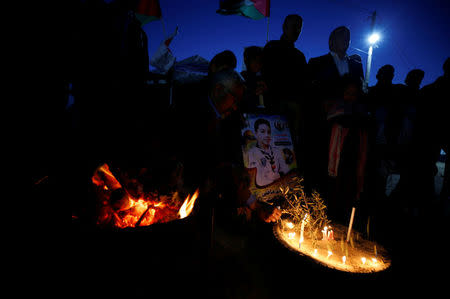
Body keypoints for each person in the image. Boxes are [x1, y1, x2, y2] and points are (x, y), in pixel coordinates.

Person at [307, 26, 364, 195]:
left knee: (345, 167)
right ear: (331, 41)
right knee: (322, 165)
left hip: (350, 126)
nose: (346, 40)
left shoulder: (355, 64)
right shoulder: (317, 62)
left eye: (348, 37)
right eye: (342, 37)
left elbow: (359, 90)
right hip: (325, 125)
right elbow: (311, 92)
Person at [262, 14, 309, 171]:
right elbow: (266, 75)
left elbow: (303, 84)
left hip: (294, 114)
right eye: (293, 26)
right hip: (275, 110)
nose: (297, 30)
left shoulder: (300, 56)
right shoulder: (272, 48)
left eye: (299, 27)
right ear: (284, 27)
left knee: (289, 156)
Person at [245, 118, 290, 187]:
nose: (267, 135)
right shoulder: (252, 153)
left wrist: (274, 176)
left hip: (281, 187)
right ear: (256, 134)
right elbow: (260, 180)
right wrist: (279, 175)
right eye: (262, 132)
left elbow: (286, 170)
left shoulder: (276, 151)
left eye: (268, 132)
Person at [240, 46, 267, 111]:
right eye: (254, 59)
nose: (257, 63)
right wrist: (252, 93)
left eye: (260, 60)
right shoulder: (241, 77)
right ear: (247, 62)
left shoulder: (266, 77)